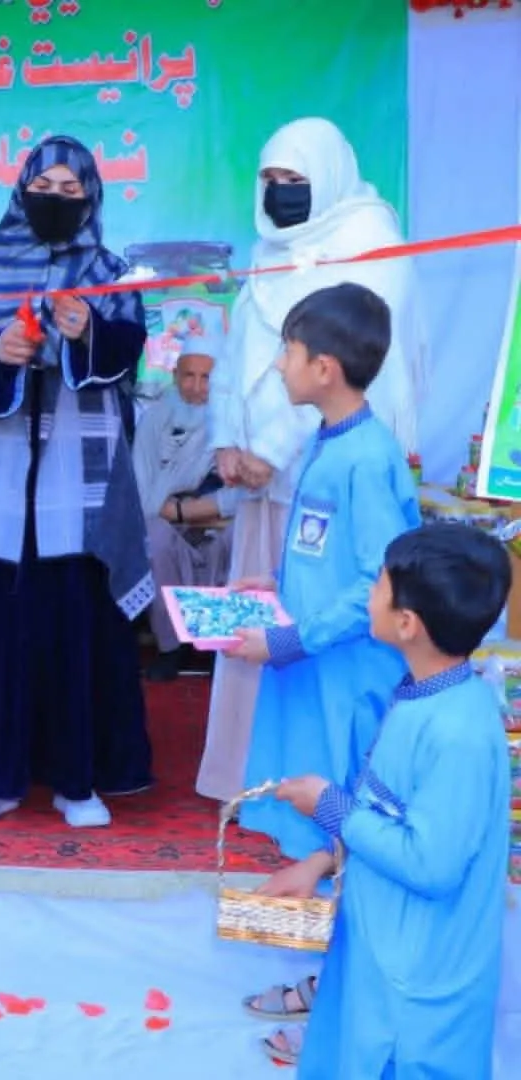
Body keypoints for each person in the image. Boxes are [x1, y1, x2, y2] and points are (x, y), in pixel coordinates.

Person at [200, 116, 425, 803]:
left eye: (294, 178)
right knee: (275, 608)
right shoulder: (267, 247)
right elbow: (243, 356)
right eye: (269, 179)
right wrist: (229, 441)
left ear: (326, 176)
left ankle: (327, 805)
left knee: (324, 660)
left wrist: (273, 449)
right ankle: (258, 781)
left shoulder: (369, 240)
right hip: (269, 486)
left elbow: (341, 371)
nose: (280, 191)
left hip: (309, 469)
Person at [0, 135, 154, 829]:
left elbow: (129, 357)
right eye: (42, 189)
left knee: (74, 628)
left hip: (79, 489)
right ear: (19, 191)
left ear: (91, 198)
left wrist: (87, 332)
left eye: (69, 191)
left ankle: (76, 782)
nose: (54, 201)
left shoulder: (111, 273)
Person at [254, 523, 511, 1072]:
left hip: (416, 981)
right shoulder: (422, 694)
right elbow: (388, 814)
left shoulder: (459, 734)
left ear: (407, 623)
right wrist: (321, 860)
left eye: (377, 584)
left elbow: (432, 864)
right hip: (382, 948)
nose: (367, 593)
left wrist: (330, 806)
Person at [224, 283, 420, 864]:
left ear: (325, 369)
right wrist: (278, 582)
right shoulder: (329, 440)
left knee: (342, 809)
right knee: (304, 790)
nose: (278, 365)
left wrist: (287, 640)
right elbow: (328, 546)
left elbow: (378, 583)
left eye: (288, 351)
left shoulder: (368, 457)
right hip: (314, 655)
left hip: (345, 665)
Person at [132, 335, 238, 681]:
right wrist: (173, 513)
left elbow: (247, 495)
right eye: (188, 376)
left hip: (217, 526)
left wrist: (185, 510)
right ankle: (171, 645)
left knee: (242, 535)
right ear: (175, 375)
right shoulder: (154, 421)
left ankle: (220, 643)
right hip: (169, 528)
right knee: (153, 537)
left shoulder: (234, 424)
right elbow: (143, 497)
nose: (196, 387)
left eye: (207, 378)